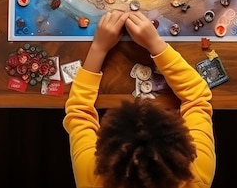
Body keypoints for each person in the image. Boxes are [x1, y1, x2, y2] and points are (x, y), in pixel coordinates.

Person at [63, 10, 216, 188]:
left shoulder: (95, 175)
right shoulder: (196, 174)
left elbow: (78, 112)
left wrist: (99, 48)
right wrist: (155, 43)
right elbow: (198, 97)